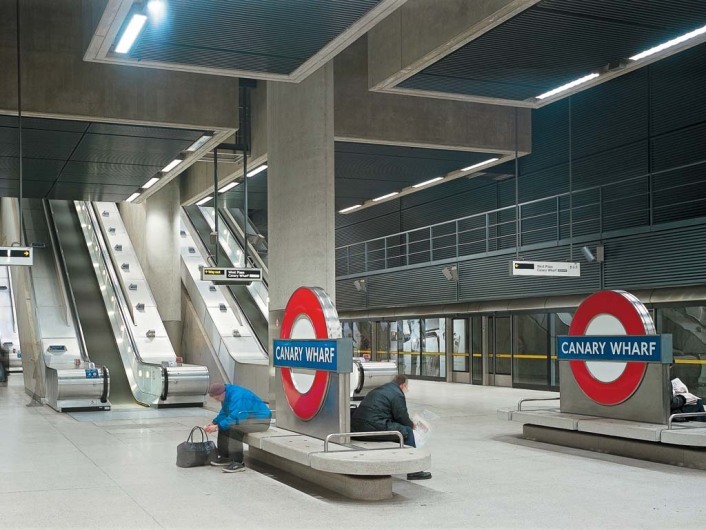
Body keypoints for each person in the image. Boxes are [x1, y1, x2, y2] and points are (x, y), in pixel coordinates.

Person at [351, 374, 432, 480]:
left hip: (357, 427)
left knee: (396, 428)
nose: (407, 390)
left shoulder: (382, 389)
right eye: (406, 387)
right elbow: (402, 417)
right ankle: (414, 470)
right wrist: (415, 426)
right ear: (402, 385)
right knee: (406, 432)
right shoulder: (397, 394)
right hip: (372, 427)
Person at [204, 383, 271, 473]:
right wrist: (214, 422)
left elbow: (237, 417)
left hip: (261, 421)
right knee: (224, 426)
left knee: (235, 428)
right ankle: (225, 457)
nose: (217, 400)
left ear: (222, 393)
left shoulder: (238, 396)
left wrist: (217, 427)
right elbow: (225, 412)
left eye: (217, 398)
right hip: (247, 418)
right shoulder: (227, 395)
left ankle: (238, 462)